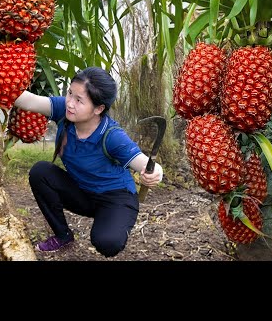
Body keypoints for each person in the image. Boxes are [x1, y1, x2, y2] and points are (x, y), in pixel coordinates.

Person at [13, 66, 163, 257]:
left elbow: (144, 163)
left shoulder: (112, 136)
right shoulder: (64, 111)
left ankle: (112, 222)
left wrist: (154, 172)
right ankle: (63, 236)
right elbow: (29, 101)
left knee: (107, 242)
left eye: (79, 100)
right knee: (40, 172)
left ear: (98, 109)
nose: (70, 103)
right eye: (69, 94)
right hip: (83, 193)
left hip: (115, 199)